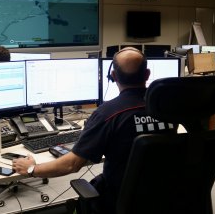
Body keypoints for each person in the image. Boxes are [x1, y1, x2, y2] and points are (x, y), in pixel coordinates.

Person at [12, 47, 178, 214]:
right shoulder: (169, 108)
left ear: (113, 76)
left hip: (121, 201)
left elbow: (72, 165)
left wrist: (32, 169)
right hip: (168, 197)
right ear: (147, 74)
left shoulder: (108, 113)